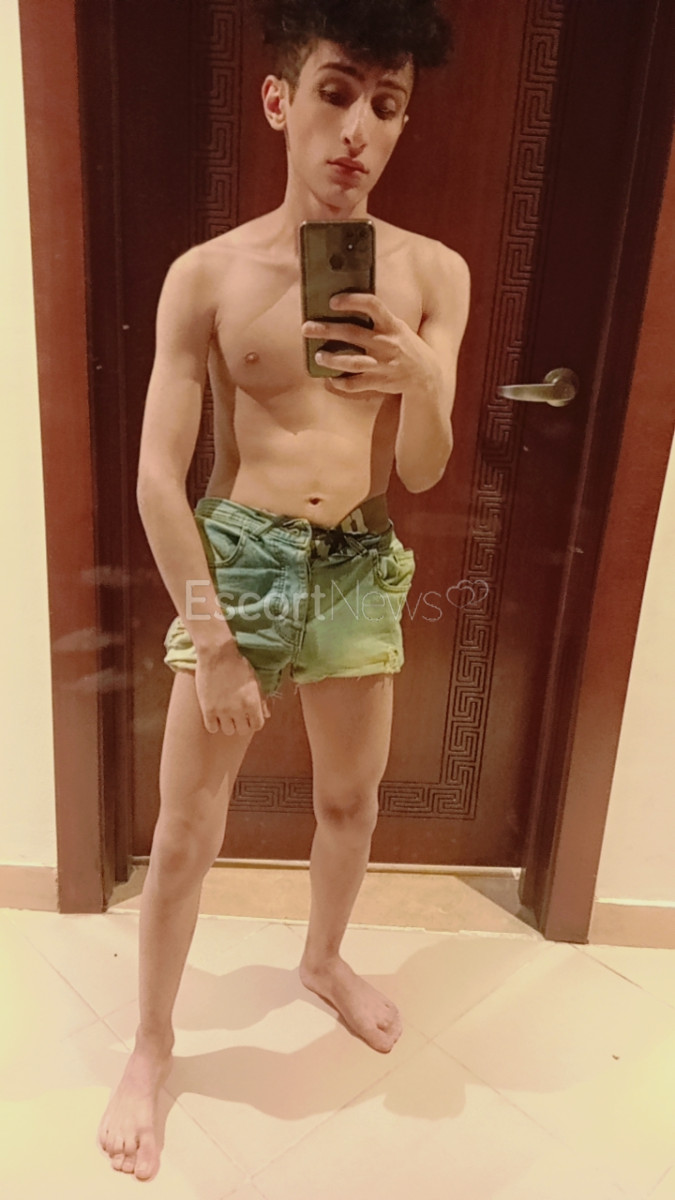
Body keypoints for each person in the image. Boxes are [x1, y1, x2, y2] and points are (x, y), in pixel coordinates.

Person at [98, 0, 470, 1181]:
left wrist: (423, 378)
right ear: (281, 100)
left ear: (403, 122)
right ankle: (152, 1044)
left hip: (359, 558)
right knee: (186, 829)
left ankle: (322, 960)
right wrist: (211, 638)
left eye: (387, 104)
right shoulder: (206, 276)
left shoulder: (435, 274)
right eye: (337, 91)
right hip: (241, 562)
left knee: (351, 803)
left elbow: (422, 470)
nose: (359, 128)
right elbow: (157, 479)